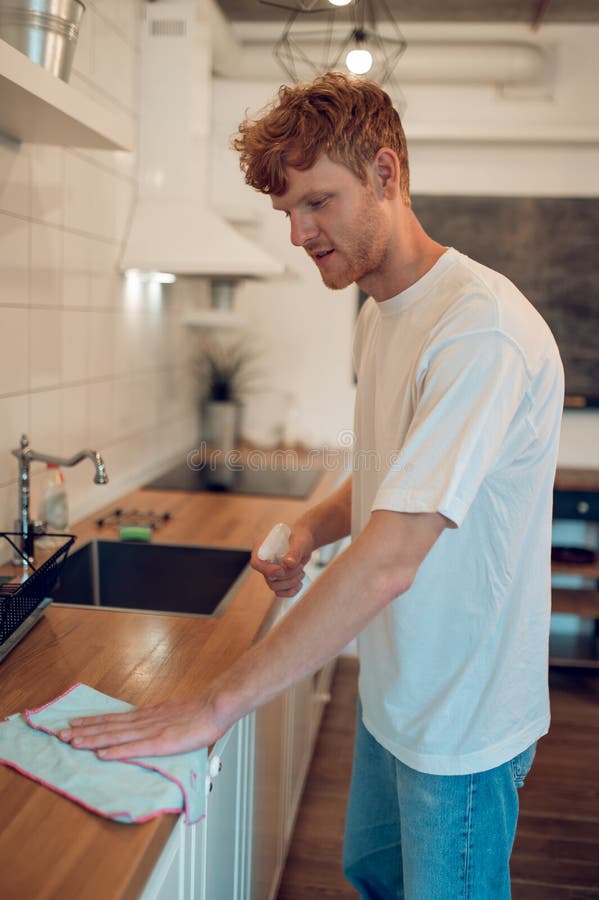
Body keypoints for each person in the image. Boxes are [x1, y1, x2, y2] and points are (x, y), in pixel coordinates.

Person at [60, 73, 564, 899]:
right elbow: (382, 483)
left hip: (461, 720)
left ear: (385, 174)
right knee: (371, 879)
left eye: (318, 202)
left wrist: (215, 705)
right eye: (286, 212)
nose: (298, 233)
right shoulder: (377, 309)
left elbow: (392, 559)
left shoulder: (479, 332)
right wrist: (309, 525)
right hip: (397, 689)